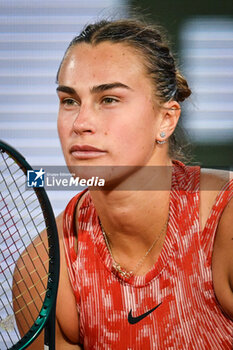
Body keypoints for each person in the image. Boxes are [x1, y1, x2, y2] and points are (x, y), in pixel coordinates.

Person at [16, 18, 233, 349]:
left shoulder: (226, 221)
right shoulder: (44, 268)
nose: (81, 123)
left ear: (166, 119)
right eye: (69, 101)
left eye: (109, 100)